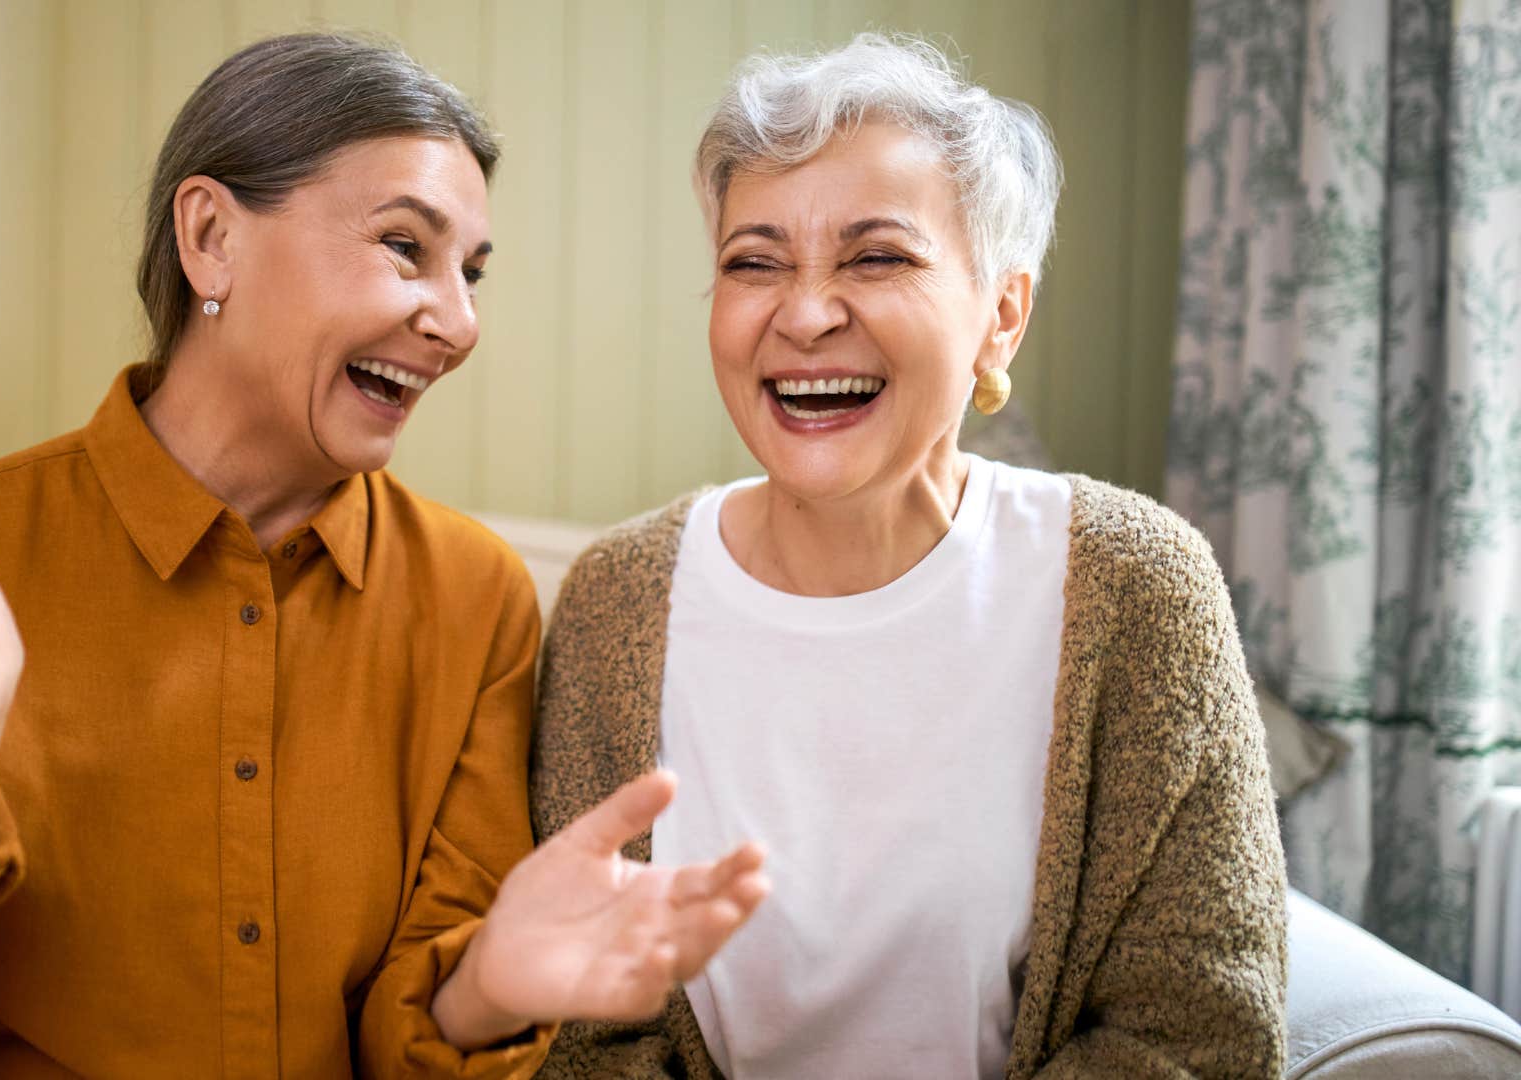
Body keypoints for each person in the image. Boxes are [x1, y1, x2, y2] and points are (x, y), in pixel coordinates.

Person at [0, 33, 767, 1079]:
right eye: (406, 246)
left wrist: (489, 984)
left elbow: (416, 1039)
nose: (457, 321)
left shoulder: (474, 599)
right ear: (212, 237)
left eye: (473, 272)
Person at [531, 33, 1287, 1079]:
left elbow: (1198, 1034)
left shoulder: (1137, 584)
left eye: (875, 256)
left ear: (1001, 317)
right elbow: (585, 1043)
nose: (803, 314)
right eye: (754, 263)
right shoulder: (616, 599)